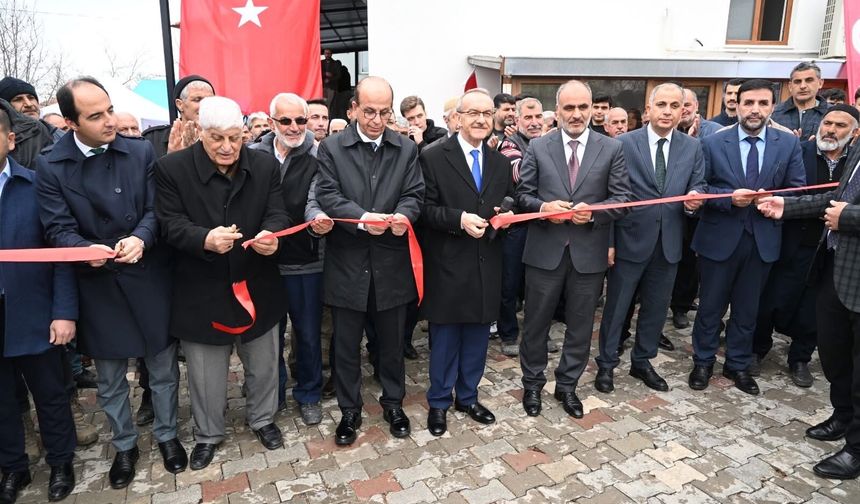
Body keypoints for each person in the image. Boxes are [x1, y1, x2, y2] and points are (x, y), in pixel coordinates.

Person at [36, 76, 184, 488]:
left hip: (146, 273)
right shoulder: (51, 164)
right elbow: (56, 227)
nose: (109, 121)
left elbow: (157, 209)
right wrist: (90, 250)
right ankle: (124, 445)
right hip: (98, 283)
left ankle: (168, 435)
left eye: (109, 109)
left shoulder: (138, 152)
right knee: (111, 377)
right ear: (70, 122)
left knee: (162, 367)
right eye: (95, 116)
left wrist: (140, 237)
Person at [154, 96, 289, 470]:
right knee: (205, 372)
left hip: (256, 280)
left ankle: (263, 419)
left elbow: (278, 210)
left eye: (235, 138)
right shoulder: (171, 169)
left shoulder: (263, 165)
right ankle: (208, 434)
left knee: (263, 363)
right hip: (202, 286)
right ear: (199, 132)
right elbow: (169, 223)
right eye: (217, 139)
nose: (228, 148)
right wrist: (204, 239)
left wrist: (272, 234)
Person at [315, 76, 424, 445]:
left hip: (391, 263)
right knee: (346, 346)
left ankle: (394, 403)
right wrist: (363, 219)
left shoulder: (405, 149)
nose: (377, 120)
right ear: (353, 110)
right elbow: (328, 195)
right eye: (369, 111)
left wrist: (403, 215)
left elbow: (414, 194)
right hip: (348, 263)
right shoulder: (331, 148)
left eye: (384, 112)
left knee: (391, 344)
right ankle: (349, 411)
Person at [516, 80, 631, 418]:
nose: (577, 114)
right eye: (569, 107)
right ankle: (532, 385)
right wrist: (542, 209)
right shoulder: (538, 147)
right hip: (544, 252)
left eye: (583, 107)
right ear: (559, 109)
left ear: (594, 108)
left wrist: (593, 214)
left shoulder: (611, 148)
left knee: (580, 327)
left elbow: (622, 200)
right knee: (536, 324)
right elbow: (523, 194)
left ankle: (567, 386)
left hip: (589, 254)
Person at [688, 79, 806, 395]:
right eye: (749, 102)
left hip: (762, 240)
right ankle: (702, 361)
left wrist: (777, 201)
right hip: (719, 238)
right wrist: (728, 198)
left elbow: (798, 190)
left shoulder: (788, 144)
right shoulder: (712, 142)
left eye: (763, 103)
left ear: (772, 107)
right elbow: (700, 187)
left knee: (747, 309)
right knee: (710, 307)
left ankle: (738, 365)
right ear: (737, 105)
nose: (755, 109)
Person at [757, 126, 860, 481]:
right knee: (835, 355)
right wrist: (787, 205)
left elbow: (845, 210)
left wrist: (848, 219)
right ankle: (843, 416)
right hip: (837, 271)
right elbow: (838, 196)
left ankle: (857, 449)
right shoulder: (858, 148)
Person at [596, 84, 705, 393]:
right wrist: (610, 242)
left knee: (656, 309)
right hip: (629, 241)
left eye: (674, 105)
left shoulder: (692, 147)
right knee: (617, 308)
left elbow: (699, 183)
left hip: (669, 243)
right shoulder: (623, 144)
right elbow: (612, 196)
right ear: (649, 108)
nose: (667, 111)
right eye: (661, 104)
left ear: (682, 110)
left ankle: (642, 362)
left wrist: (696, 197)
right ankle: (606, 365)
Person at [419, 88, 514, 436]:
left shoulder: (500, 163)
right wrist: (458, 219)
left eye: (487, 114)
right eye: (472, 113)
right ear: (458, 117)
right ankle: (440, 401)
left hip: (487, 261)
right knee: (445, 339)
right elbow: (424, 210)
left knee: (477, 336)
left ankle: (468, 396)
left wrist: (507, 212)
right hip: (447, 263)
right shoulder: (432, 157)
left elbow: (508, 200)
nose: (480, 120)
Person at [0, 108, 77, 503]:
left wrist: (63, 311)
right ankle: (13, 467)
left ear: (10, 139)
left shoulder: (34, 188)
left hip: (34, 312)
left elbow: (60, 252)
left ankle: (61, 461)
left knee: (50, 393)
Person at [753, 105, 858, 387]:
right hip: (791, 241)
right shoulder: (798, 150)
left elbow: (837, 202)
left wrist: (843, 216)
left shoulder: (852, 161)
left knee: (812, 311)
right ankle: (757, 350)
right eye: (827, 123)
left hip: (828, 249)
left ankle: (800, 358)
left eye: (839, 126)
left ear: (854, 133)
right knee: (771, 300)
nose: (831, 130)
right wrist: (783, 205)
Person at [249, 93, 325, 424]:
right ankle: (274, 394)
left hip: (306, 260)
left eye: (300, 120)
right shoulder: (252, 155)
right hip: (263, 262)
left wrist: (319, 219)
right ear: (271, 122)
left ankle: (308, 394)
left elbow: (317, 198)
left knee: (308, 334)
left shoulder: (320, 155)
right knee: (269, 337)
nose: (294, 127)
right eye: (286, 120)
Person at [496, 97, 543, 356]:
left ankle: (537, 335)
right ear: (517, 120)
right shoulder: (509, 144)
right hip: (516, 225)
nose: (534, 122)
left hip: (543, 225)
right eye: (528, 117)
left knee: (538, 285)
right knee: (510, 284)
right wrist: (545, 151)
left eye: (538, 117)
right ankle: (509, 334)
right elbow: (518, 174)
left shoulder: (548, 144)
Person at [142, 75, 215, 158]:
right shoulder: (154, 138)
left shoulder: (223, 138)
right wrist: (172, 158)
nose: (205, 105)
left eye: (210, 100)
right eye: (197, 100)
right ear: (180, 104)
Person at [771, 62, 828, 139]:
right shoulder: (773, 114)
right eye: (797, 81)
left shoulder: (833, 114)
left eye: (809, 80)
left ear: (820, 83)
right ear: (790, 86)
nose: (803, 86)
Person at [0, 77, 64, 143]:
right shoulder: (3, 146)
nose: (29, 104)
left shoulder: (61, 137)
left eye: (31, 98)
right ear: (5, 106)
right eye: (18, 99)